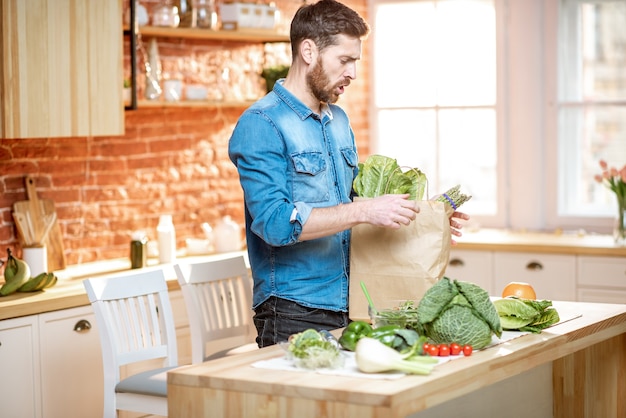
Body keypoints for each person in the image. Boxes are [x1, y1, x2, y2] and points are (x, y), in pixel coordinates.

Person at [229, 0, 469, 348]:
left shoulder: (337, 121)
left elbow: (351, 208)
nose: (353, 73)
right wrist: (366, 210)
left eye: (355, 61)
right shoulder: (262, 124)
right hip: (294, 311)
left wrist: (425, 218)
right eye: (344, 60)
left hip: (354, 304)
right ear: (308, 51)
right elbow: (275, 224)